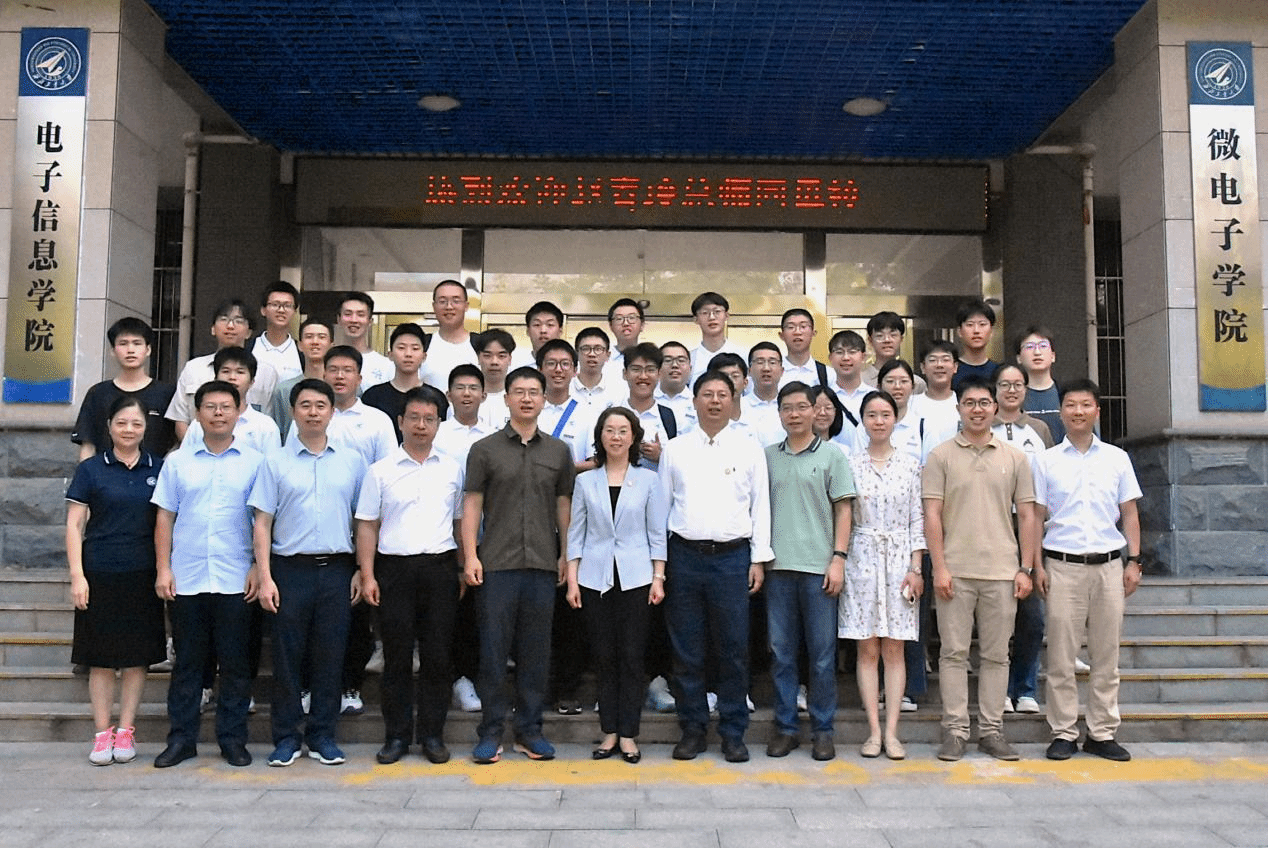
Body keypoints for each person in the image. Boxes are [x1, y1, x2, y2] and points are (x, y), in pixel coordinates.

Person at [249, 378, 366, 767]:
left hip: (337, 570)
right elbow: (262, 522)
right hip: (289, 570)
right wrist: (265, 575)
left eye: (320, 406)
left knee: (331, 655)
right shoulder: (274, 462)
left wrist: (361, 569)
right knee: (287, 658)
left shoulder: (352, 462)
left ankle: (322, 736)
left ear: (332, 412)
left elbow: (363, 520)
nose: (313, 412)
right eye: (305, 405)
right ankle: (286, 737)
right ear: (293, 411)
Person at [461, 367, 576, 764]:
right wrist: (470, 555)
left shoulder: (558, 451)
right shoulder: (485, 449)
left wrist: (565, 554)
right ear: (506, 398)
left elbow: (564, 505)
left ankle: (530, 730)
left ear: (544, 400)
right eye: (519, 392)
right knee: (493, 652)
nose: (527, 399)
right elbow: (472, 503)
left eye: (534, 392)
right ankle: (491, 731)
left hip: (542, 564)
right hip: (497, 564)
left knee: (535, 652)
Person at [659, 370, 773, 763]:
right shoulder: (676, 449)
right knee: (686, 649)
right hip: (685, 557)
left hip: (732, 559)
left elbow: (761, 506)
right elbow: (662, 508)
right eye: (706, 394)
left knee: (733, 648)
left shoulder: (748, 448)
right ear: (694, 401)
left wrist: (758, 558)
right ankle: (692, 729)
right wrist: (661, 566)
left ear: (733, 399)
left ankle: (733, 731)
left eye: (722, 394)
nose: (714, 401)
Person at [923, 375, 1039, 762]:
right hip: (955, 572)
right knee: (953, 654)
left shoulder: (1014, 457)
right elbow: (932, 515)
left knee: (996, 656)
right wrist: (939, 567)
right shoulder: (940, 456)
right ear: (958, 408)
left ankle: (991, 731)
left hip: (1002, 572)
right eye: (969, 403)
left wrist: (1025, 567)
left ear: (995, 407)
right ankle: (955, 731)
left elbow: (1027, 516)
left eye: (984, 403)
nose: (977, 409)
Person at [151, 380, 263, 768]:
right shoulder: (177, 462)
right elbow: (165, 516)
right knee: (187, 664)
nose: (218, 413)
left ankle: (232, 740)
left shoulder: (256, 461)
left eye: (225, 407)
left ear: (238, 412)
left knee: (235, 665)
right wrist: (163, 567)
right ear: (197, 414)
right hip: (188, 576)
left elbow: (263, 520)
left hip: (236, 577)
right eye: (210, 407)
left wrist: (258, 567)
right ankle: (181, 740)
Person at [1034, 379, 1143, 762]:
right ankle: (1063, 732)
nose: (1077, 411)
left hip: (1109, 566)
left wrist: (1134, 561)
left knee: (1106, 656)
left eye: (1085, 404)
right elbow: (1035, 516)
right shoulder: (1045, 461)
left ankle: (1101, 732)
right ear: (1061, 411)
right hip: (1061, 566)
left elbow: (1130, 513)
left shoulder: (1117, 458)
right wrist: (1035, 566)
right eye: (1070, 405)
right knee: (1061, 658)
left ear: (1097, 410)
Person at [356, 385, 466, 765]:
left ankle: (433, 735)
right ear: (400, 422)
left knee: (438, 656)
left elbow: (459, 522)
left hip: (439, 569)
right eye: (414, 418)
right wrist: (368, 575)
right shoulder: (380, 471)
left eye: (429, 419)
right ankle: (397, 737)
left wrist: (463, 567)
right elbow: (367, 525)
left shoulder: (452, 469)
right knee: (397, 657)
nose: (421, 425)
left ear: (438, 424)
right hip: (394, 570)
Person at [66, 396, 167, 765]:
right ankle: (101, 733)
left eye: (136, 423)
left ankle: (126, 731)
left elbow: (165, 523)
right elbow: (75, 524)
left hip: (143, 573)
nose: (129, 430)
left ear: (145, 428)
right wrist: (77, 575)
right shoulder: (91, 469)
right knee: (101, 659)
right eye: (122, 423)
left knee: (137, 658)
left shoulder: (159, 468)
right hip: (99, 572)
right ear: (109, 427)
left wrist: (164, 569)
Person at [565, 407, 668, 764]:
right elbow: (576, 533)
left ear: (633, 437)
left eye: (623, 430)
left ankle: (628, 734)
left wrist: (658, 577)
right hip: (594, 578)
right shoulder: (585, 482)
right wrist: (572, 579)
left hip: (637, 578)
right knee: (604, 656)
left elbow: (657, 533)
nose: (616, 437)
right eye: (609, 430)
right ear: (600, 436)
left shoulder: (648, 480)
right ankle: (608, 731)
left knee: (632, 657)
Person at [763, 382, 854, 762]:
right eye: (788, 408)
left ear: (816, 411)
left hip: (819, 568)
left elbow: (844, 510)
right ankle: (785, 728)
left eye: (802, 407)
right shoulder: (768, 456)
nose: (795, 414)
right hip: (777, 568)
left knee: (821, 656)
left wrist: (838, 558)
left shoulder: (833, 455)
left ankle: (822, 731)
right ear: (779, 413)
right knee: (781, 653)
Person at [839, 390, 926, 760]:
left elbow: (917, 519)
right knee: (867, 647)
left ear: (895, 419)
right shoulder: (850, 465)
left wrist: (916, 567)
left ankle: (892, 732)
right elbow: (843, 516)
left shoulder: (910, 466)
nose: (878, 421)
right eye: (871, 415)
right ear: (863, 420)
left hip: (900, 561)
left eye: (885, 414)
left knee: (894, 648)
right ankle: (873, 731)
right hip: (861, 559)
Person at [991, 363, 1055, 716]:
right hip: (992, 524)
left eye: (1017, 384)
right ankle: (998, 688)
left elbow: (1050, 478)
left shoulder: (1039, 430)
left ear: (1026, 390)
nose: (1011, 390)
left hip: (1030, 524)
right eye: (1005, 384)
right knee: (995, 614)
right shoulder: (982, 425)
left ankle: (1025, 687)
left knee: (1031, 615)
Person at [431, 363, 494, 714]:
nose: (467, 394)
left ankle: (475, 677)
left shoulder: (495, 435)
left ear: (484, 395)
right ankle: (456, 679)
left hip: (489, 538)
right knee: (453, 614)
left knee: (481, 615)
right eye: (460, 387)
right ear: (449, 394)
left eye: (473, 388)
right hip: (444, 538)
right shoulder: (436, 433)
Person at [165, 299, 278, 443]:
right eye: (224, 319)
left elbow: (268, 418)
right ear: (213, 329)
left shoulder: (266, 372)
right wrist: (199, 451)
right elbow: (180, 420)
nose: (230, 326)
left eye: (238, 321)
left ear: (249, 332)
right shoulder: (193, 368)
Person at [72, 317, 176, 460]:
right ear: (113, 351)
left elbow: (177, 443)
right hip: (105, 472)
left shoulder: (167, 393)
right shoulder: (98, 393)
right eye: (123, 344)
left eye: (137, 343)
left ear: (148, 350)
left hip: (156, 472)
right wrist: (85, 472)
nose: (130, 350)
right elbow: (88, 445)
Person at [182, 347, 282, 455]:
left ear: (252, 381)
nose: (232, 377)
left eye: (240, 372)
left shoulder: (265, 426)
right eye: (226, 371)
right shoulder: (200, 424)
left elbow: (272, 464)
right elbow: (184, 459)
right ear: (215, 378)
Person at [616, 342, 682, 473]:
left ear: (659, 374)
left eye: (650, 370)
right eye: (636, 369)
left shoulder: (669, 416)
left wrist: (660, 457)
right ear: (625, 373)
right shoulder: (613, 414)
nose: (643, 376)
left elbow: (681, 464)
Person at [362, 322, 430, 443]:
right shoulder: (372, 397)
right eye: (401, 348)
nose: (408, 354)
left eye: (415, 348)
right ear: (390, 355)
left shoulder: (435, 398)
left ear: (424, 356)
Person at [537, 339, 599, 468]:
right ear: (539, 370)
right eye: (551, 363)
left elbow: (594, 461)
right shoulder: (529, 408)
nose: (558, 369)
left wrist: (562, 471)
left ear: (575, 370)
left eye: (565, 364)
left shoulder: (587, 412)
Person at [270, 318, 334, 434]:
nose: (315, 342)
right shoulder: (284, 390)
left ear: (331, 345)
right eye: (309, 337)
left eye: (322, 337)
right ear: (299, 345)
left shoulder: (341, 387)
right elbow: (280, 432)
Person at [854, 359, 925, 462]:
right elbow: (858, 463)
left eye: (904, 381)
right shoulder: (864, 428)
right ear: (879, 386)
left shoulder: (922, 427)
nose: (897, 386)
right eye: (890, 381)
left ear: (912, 386)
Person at [420, 280, 478, 391]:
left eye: (456, 301)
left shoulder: (481, 345)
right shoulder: (422, 345)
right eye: (442, 301)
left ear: (466, 306)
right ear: (434, 306)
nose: (449, 307)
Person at [1015, 325, 1065, 443]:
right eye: (1029, 347)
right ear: (1019, 358)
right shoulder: (1012, 396)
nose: (1037, 352)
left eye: (1043, 346)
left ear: (1053, 356)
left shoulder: (1066, 394)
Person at [335, 292, 393, 389]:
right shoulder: (327, 361)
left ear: (370, 321)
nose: (354, 320)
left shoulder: (386, 366)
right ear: (339, 319)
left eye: (360, 315)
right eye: (348, 314)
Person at [911, 341, 960, 447]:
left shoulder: (963, 403)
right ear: (923, 367)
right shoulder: (910, 404)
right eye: (933, 360)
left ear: (955, 367)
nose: (939, 365)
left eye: (945, 360)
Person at [861, 312, 926, 394]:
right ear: (870, 340)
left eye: (893, 335)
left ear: (901, 339)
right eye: (880, 336)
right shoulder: (859, 381)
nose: (887, 340)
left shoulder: (917, 384)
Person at [253, 281, 303, 383]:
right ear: (263, 310)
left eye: (287, 305)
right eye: (275, 304)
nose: (281, 310)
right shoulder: (250, 347)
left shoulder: (301, 352)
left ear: (295, 311)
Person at [688, 292, 745, 381]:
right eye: (705, 313)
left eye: (717, 312)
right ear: (696, 319)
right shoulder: (689, 360)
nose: (711, 317)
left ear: (726, 316)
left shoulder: (743, 356)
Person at [826, 329, 873, 425]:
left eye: (852, 352)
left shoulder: (874, 396)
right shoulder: (823, 397)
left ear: (863, 357)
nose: (846, 358)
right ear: (830, 358)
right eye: (839, 352)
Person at [744, 342, 787, 447]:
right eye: (760, 362)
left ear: (782, 371)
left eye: (772, 362)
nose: (766, 368)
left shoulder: (791, 408)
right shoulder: (739, 407)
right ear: (749, 371)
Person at [952, 299, 1001, 389]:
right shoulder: (951, 371)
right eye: (970, 324)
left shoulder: (999, 372)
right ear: (959, 332)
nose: (976, 331)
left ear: (992, 332)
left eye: (982, 324)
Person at [572, 326, 624, 412]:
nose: (592, 354)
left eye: (598, 349)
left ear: (608, 355)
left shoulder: (618, 391)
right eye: (586, 349)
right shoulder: (566, 389)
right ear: (577, 353)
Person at [474, 329, 515, 429]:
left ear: (510, 359)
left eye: (501, 356)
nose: (494, 362)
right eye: (487, 356)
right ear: (478, 358)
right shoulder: (468, 398)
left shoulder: (518, 398)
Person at [777, 308, 827, 387]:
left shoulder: (828, 374)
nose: (797, 332)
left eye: (803, 326)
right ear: (781, 335)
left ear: (813, 333)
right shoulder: (772, 372)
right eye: (791, 327)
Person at [511, 300, 565, 370]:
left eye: (550, 325)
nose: (543, 330)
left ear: (560, 331)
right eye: (537, 325)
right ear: (528, 331)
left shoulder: (572, 368)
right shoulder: (515, 367)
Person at [656, 341, 698, 432]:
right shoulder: (645, 401)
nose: (675, 365)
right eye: (668, 360)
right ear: (657, 367)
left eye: (681, 360)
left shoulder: (698, 403)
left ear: (690, 368)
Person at [605, 298, 646, 378]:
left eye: (632, 318)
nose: (626, 323)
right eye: (619, 319)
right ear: (611, 326)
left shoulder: (652, 358)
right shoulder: (602, 360)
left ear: (642, 325)